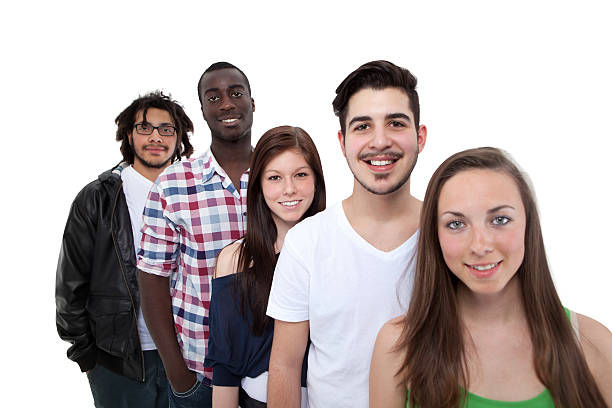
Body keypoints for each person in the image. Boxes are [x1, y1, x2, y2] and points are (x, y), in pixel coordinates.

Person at [370, 147, 612, 407]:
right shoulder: (398, 346)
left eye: (499, 219)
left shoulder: (592, 342)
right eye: (456, 224)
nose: (480, 245)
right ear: (435, 236)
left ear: (529, 224)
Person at [266, 60, 428, 408]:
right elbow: (284, 365)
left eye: (396, 123)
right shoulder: (307, 242)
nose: (379, 141)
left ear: (420, 136)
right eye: (363, 126)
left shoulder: (449, 234)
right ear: (342, 142)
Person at [56, 91, 194, 408]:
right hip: (118, 360)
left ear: (179, 137)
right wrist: (87, 356)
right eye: (144, 128)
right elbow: (70, 283)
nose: (156, 137)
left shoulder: (193, 195)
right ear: (128, 135)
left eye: (166, 129)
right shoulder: (98, 197)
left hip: (189, 353)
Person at [137, 62, 255, 408]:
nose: (227, 104)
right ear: (203, 110)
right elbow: (152, 279)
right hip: (201, 375)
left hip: (270, 369)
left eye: (236, 93)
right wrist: (179, 376)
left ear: (252, 101)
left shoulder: (280, 176)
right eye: (213, 96)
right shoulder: (173, 185)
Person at [205, 126, 326, 408]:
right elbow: (226, 364)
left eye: (301, 175)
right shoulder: (234, 259)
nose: (289, 189)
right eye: (275, 177)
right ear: (258, 184)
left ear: (316, 180)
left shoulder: (336, 251)